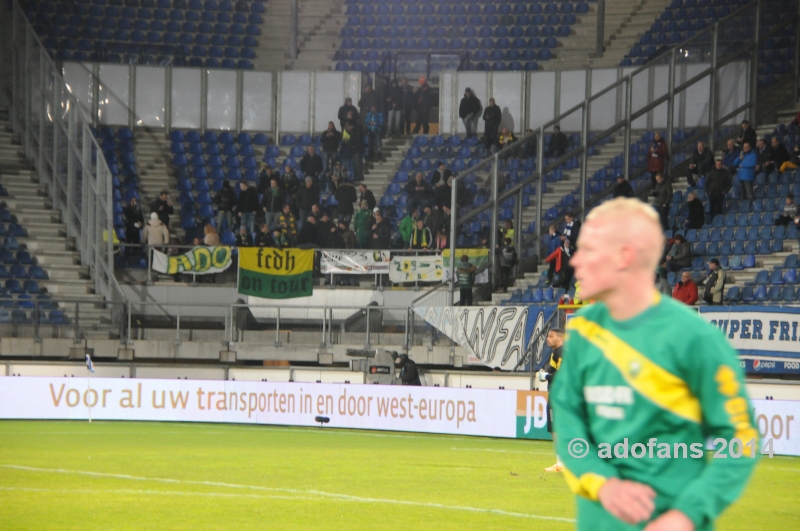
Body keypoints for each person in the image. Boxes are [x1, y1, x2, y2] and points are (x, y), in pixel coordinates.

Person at [553, 197, 757, 531]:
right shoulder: (585, 332)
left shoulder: (694, 338)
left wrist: (688, 514)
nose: (576, 262)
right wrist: (604, 484)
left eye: (589, 249)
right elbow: (570, 425)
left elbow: (740, 437)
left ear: (625, 256)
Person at [540, 327, 564, 472]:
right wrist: (545, 373)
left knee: (555, 428)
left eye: (551, 336)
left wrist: (546, 377)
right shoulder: (556, 353)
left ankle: (561, 463)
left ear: (559, 338)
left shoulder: (561, 352)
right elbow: (553, 369)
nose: (548, 338)